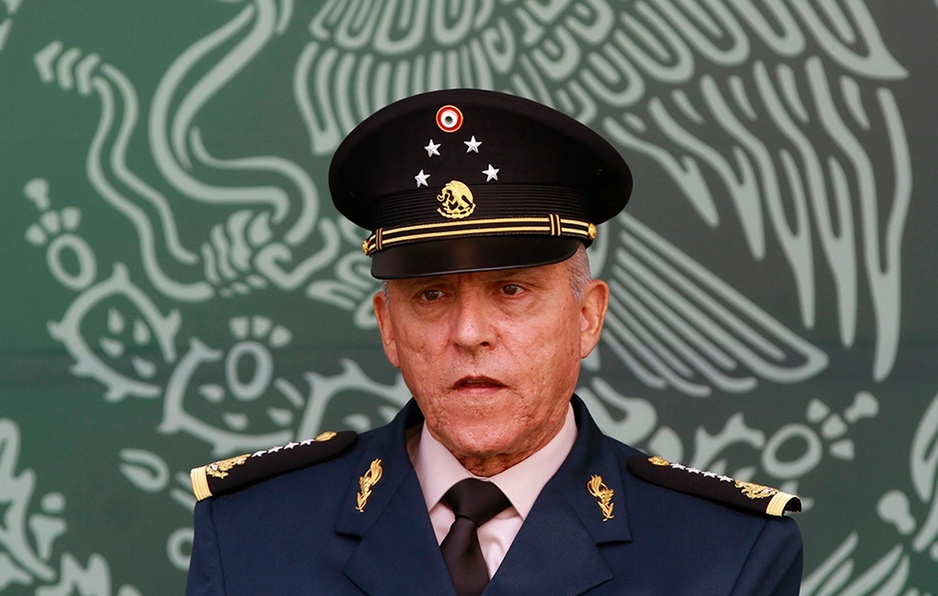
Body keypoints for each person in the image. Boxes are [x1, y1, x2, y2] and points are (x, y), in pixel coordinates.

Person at [185, 89, 803, 595]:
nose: (469, 333)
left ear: (587, 317)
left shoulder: (725, 551)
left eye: (511, 290)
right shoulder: (250, 532)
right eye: (431, 294)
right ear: (388, 327)